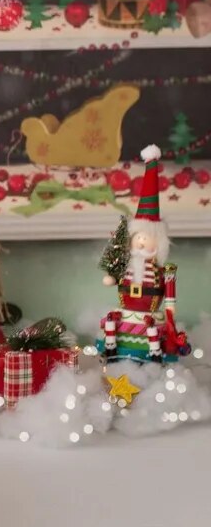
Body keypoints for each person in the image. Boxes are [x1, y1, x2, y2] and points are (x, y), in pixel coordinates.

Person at [99, 145, 180, 363]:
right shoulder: (127, 262)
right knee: (109, 319)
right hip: (126, 310)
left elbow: (169, 293)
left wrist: (170, 309)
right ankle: (110, 347)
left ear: (159, 242)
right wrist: (111, 277)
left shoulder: (159, 270)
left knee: (151, 326)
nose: (142, 242)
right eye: (139, 238)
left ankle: (154, 352)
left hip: (148, 313)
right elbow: (114, 275)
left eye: (147, 238)